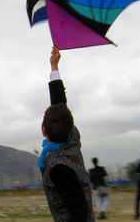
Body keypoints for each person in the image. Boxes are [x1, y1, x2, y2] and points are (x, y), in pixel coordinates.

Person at [38, 46, 94, 222]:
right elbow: (59, 104)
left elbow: (78, 207)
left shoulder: (58, 167)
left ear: (43, 130)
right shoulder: (72, 137)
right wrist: (54, 67)